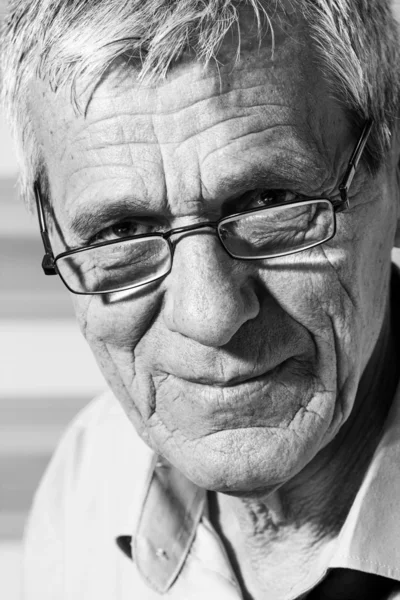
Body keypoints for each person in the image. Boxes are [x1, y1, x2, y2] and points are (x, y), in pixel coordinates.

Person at [2, 0, 400, 598]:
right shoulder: (90, 474)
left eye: (268, 201)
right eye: (121, 232)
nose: (209, 316)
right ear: (57, 236)